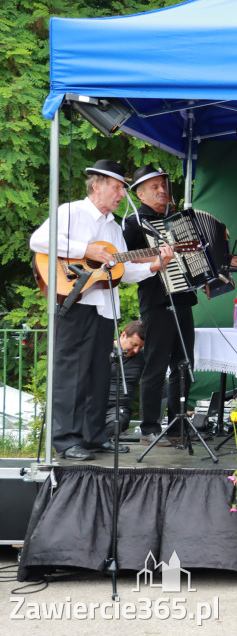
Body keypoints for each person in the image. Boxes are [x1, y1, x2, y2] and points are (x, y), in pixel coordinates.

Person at [29, 159, 172, 460]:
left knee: (98, 375)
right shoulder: (72, 212)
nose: (122, 194)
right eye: (118, 187)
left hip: (105, 307)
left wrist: (155, 265)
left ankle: (93, 436)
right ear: (97, 185)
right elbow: (39, 240)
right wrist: (85, 251)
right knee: (72, 374)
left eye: (122, 188)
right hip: (75, 301)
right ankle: (66, 440)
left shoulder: (114, 226)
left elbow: (123, 271)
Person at [122, 165, 197, 445]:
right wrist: (155, 261)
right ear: (140, 193)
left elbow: (193, 258)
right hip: (156, 300)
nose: (162, 190)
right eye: (154, 187)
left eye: (163, 185)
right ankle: (150, 426)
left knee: (184, 363)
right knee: (155, 364)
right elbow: (124, 260)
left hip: (183, 298)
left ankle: (178, 424)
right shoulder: (133, 223)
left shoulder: (178, 220)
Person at [105, 320, 146, 440]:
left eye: (141, 346)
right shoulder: (102, 350)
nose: (136, 350)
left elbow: (159, 385)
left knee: (117, 423)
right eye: (134, 344)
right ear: (123, 335)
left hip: (118, 410)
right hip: (94, 406)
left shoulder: (142, 356)